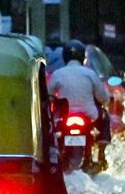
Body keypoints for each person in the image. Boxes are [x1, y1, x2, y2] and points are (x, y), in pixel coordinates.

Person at [47, 39, 112, 169]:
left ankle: (54, 156)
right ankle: (101, 154)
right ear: (83, 57)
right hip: (89, 115)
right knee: (105, 116)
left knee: (50, 129)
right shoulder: (90, 74)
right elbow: (103, 98)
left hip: (64, 117)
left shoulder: (58, 74)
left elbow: (48, 95)